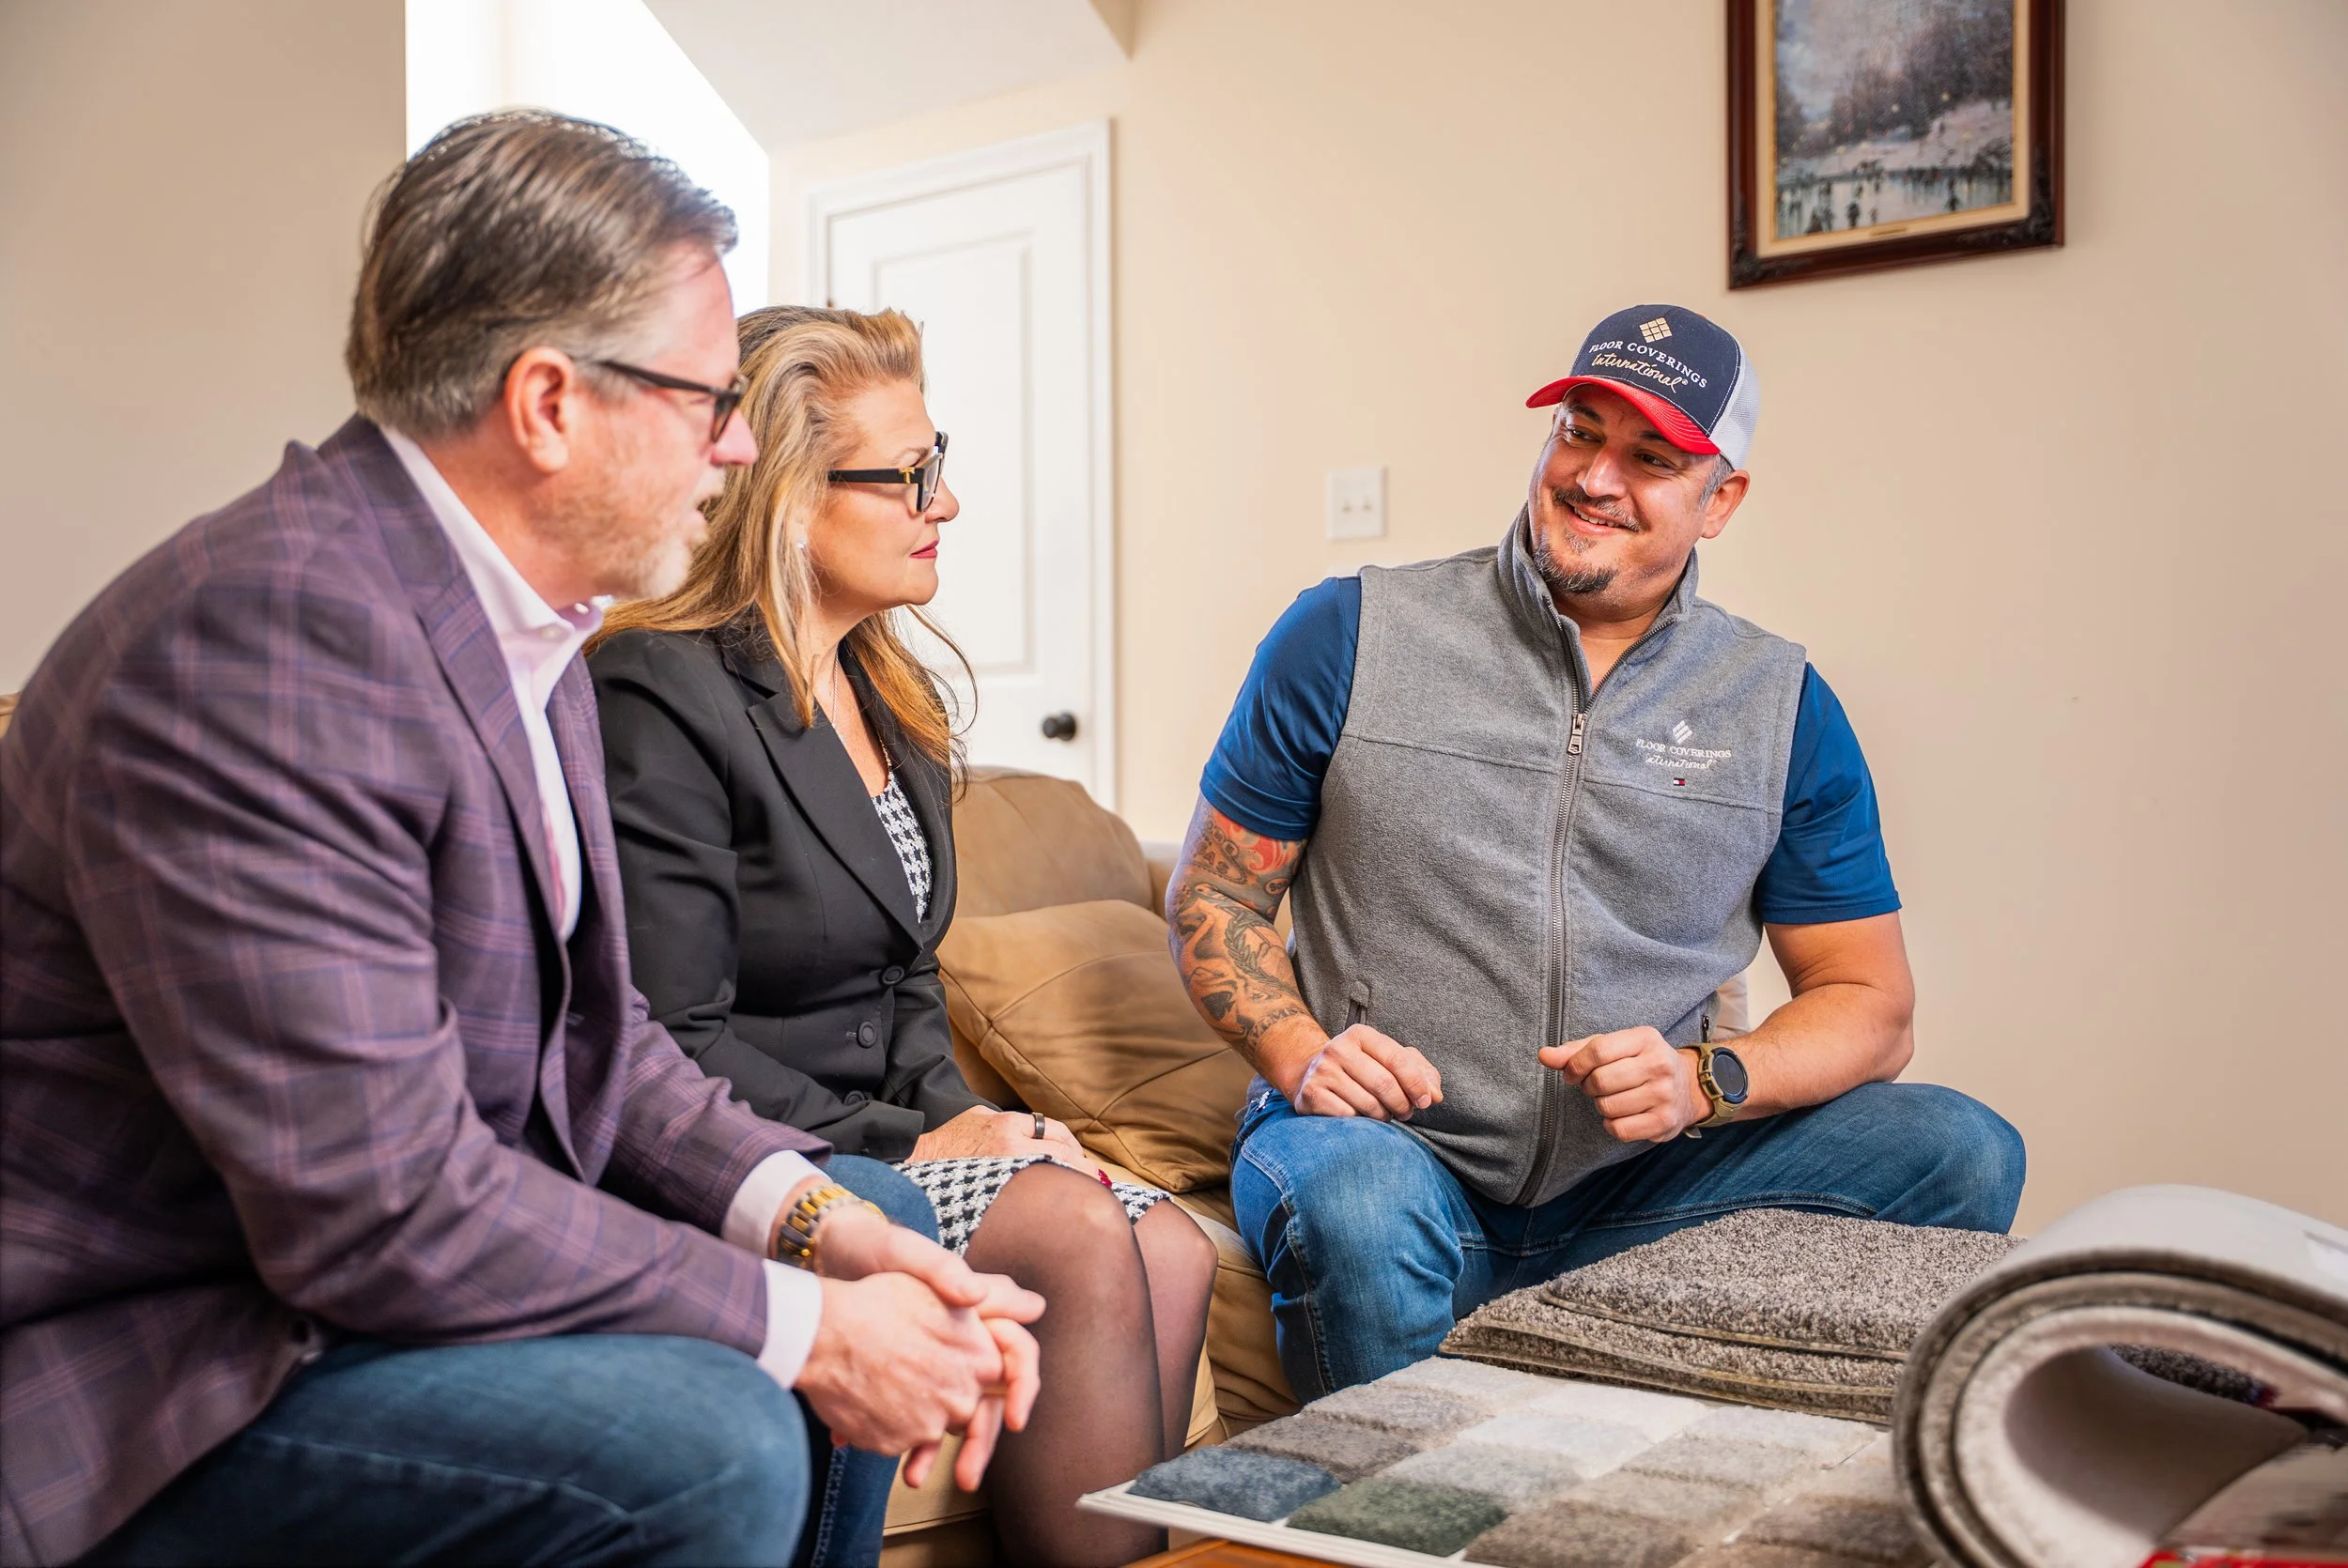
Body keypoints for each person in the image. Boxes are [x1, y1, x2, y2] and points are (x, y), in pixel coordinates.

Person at [0, 113, 1042, 1568]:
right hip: (179, 1363)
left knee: (862, 1211)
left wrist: (825, 1230)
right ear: (549, 404)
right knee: (707, 1435)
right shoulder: (267, 643)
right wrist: (804, 1323)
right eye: (706, 398)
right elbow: (378, 1207)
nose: (738, 448)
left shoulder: (521, 630)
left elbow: (598, 1044)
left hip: (332, 1300)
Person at [1167, 303, 2026, 1402]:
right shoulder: (1348, 632)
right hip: (1390, 1153)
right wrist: (1299, 1050)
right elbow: (1215, 897)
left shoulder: (1778, 706)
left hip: (1643, 1185)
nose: (1595, 477)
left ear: (1721, 500)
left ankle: (1715, 1458)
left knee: (1964, 1149)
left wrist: (1700, 1080)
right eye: (1579, 431)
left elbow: (1871, 1000)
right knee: (1354, 1202)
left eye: (1652, 458)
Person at [588, 304, 1218, 1568]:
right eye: (911, 473)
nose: (948, 501)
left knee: (1174, 1239)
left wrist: (990, 1120)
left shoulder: (894, 694)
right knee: (1080, 1232)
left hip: (894, 1133)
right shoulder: (659, 691)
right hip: (769, 1155)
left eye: (943, 460)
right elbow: (668, 1035)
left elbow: (906, 984)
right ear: (784, 494)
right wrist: (927, 1135)